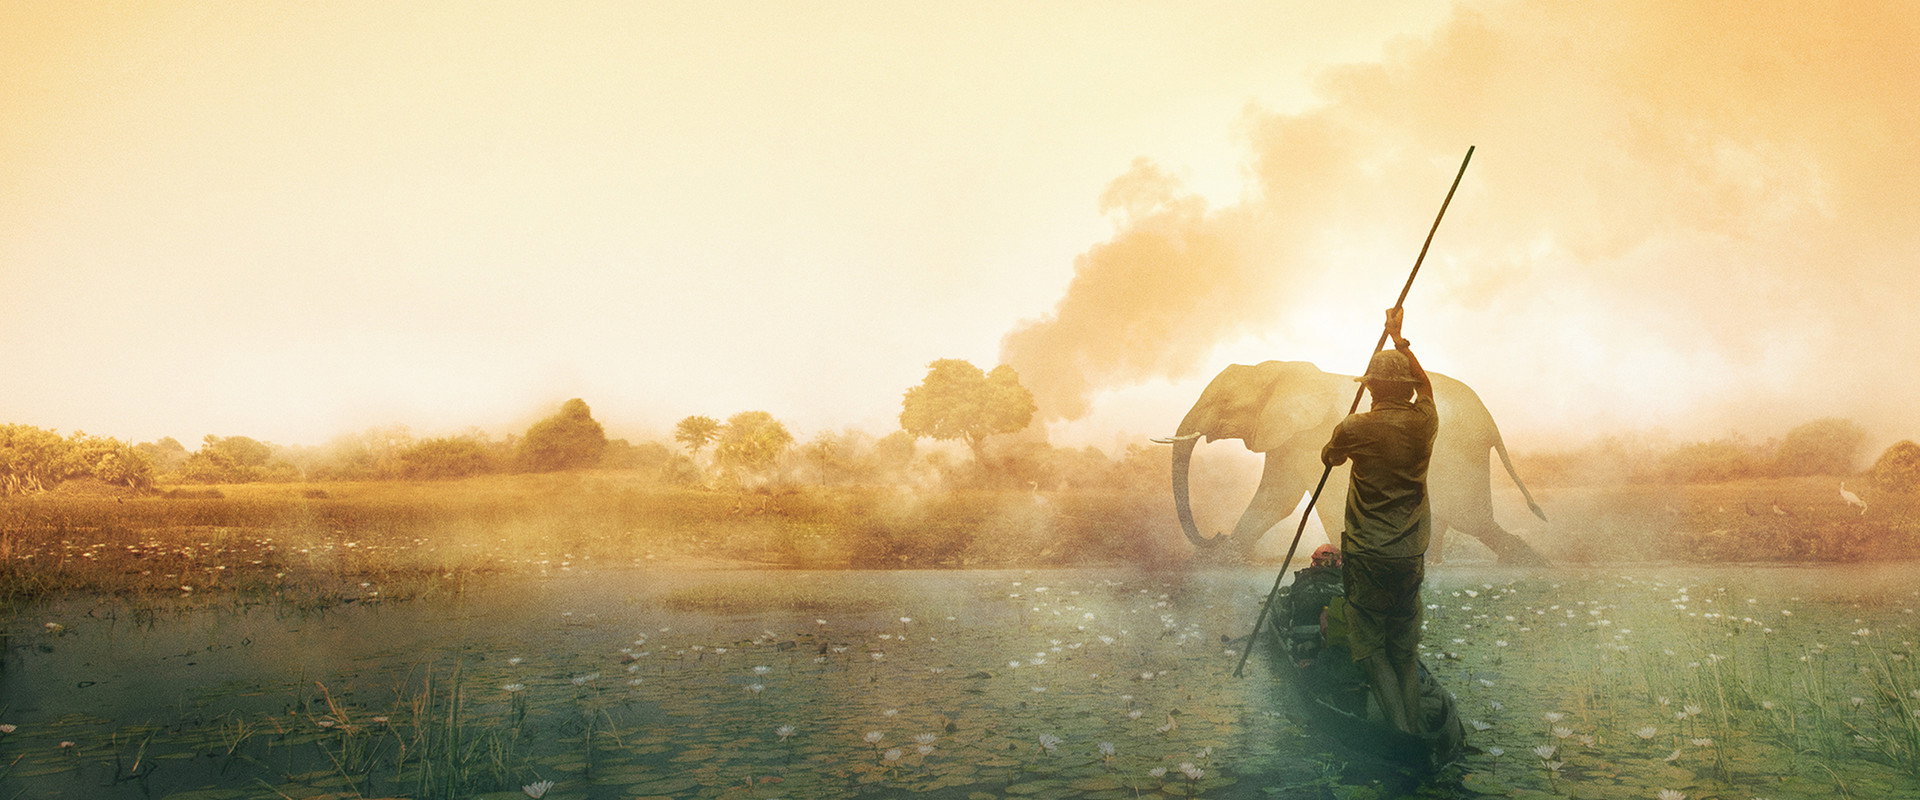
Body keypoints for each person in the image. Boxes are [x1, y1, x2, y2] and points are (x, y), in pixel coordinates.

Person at [1319, 307, 1437, 735]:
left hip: (1368, 554)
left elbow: (1329, 458)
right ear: (1405, 389)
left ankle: (1402, 736)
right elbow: (1426, 385)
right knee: (1404, 652)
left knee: (1371, 651)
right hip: (1409, 554)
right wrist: (1400, 340)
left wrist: (1341, 441)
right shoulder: (1424, 422)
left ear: (1370, 388)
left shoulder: (1354, 427)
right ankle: (1419, 730)